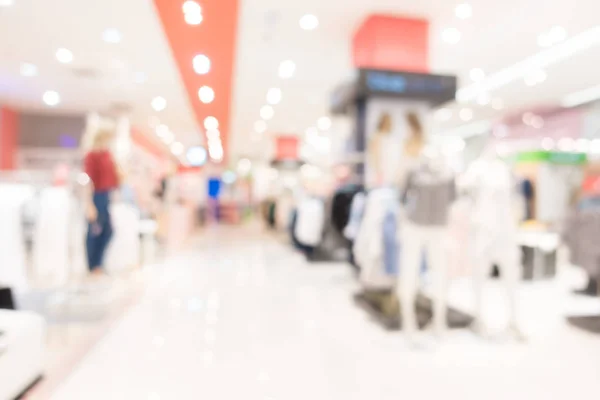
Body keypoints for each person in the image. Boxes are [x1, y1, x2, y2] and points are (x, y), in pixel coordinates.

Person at [84, 129, 120, 277]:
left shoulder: (107, 155)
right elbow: (88, 181)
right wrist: (89, 204)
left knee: (108, 231)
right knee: (95, 231)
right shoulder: (92, 156)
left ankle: (98, 263)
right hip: (96, 195)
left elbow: (114, 176)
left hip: (106, 195)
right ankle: (93, 266)